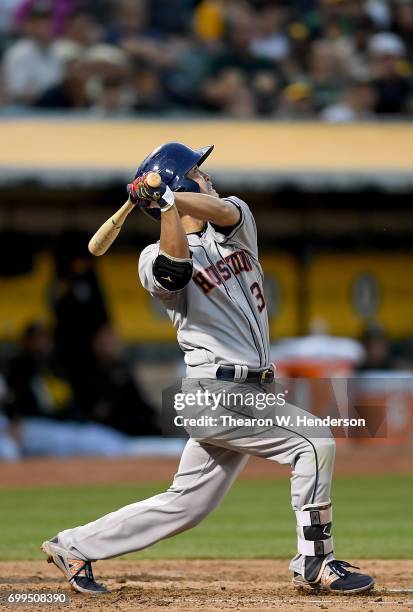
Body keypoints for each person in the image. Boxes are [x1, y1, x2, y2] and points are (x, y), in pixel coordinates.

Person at [42, 142, 374, 596]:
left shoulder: (236, 224)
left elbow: (219, 209)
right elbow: (175, 270)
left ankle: (74, 545)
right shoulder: (149, 259)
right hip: (213, 392)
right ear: (179, 180)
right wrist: (167, 205)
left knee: (187, 505)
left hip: (255, 391)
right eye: (198, 171)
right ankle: (315, 561)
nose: (208, 177)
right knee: (314, 442)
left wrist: (170, 197)